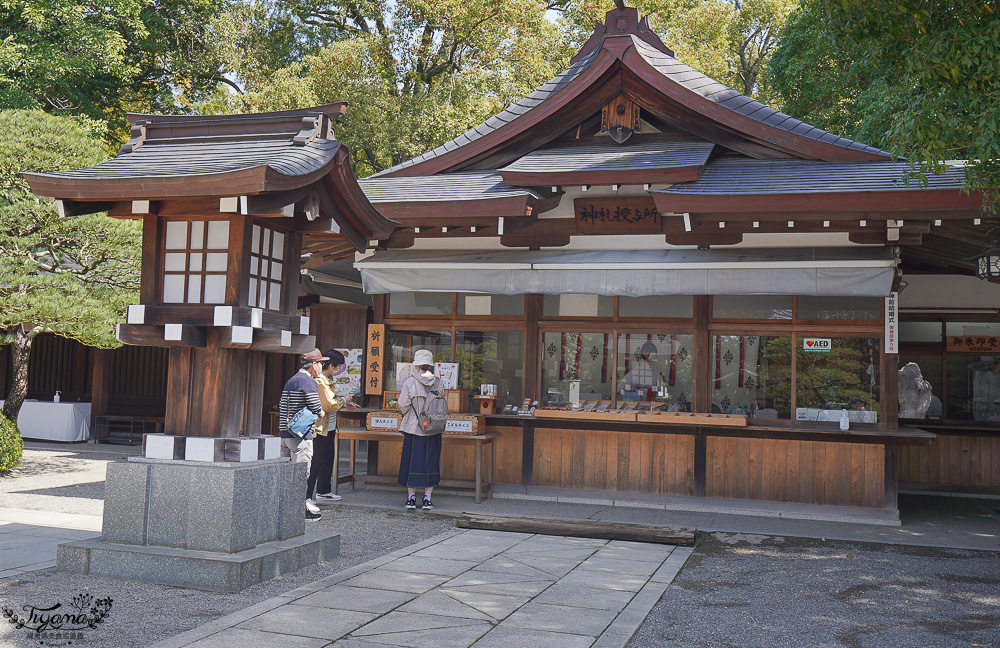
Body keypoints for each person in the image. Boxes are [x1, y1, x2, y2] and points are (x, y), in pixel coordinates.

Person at [279, 348, 327, 520]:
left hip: (285, 433)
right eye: (321, 363)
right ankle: (300, 513)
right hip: (300, 436)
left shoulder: (291, 380)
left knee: (286, 476)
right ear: (313, 365)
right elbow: (316, 406)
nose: (322, 366)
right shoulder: (308, 382)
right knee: (300, 475)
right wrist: (321, 413)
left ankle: (284, 512)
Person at [308, 350, 359, 505]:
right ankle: (308, 496)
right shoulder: (320, 380)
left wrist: (344, 402)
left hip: (329, 426)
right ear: (331, 366)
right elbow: (328, 404)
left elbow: (331, 400)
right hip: (320, 426)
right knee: (317, 461)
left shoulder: (327, 378)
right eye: (337, 367)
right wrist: (343, 400)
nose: (338, 370)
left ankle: (323, 490)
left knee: (328, 458)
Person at [397, 349, 444, 510]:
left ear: (417, 366)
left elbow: (403, 404)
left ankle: (411, 498)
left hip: (414, 428)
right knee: (431, 462)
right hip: (433, 428)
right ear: (430, 366)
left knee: (412, 461)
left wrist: (409, 414)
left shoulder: (410, 382)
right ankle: (427, 499)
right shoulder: (438, 382)